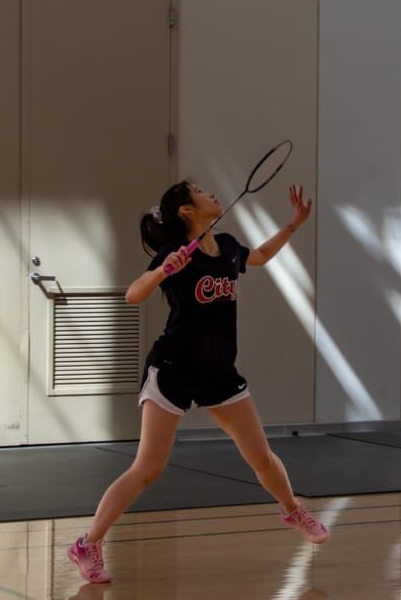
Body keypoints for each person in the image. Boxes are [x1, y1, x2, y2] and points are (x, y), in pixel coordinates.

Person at [68, 179, 327, 584]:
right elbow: (132, 295)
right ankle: (88, 543)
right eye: (200, 191)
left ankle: (292, 509)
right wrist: (162, 272)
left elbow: (258, 256)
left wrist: (293, 225)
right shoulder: (175, 255)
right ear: (187, 211)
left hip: (219, 372)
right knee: (148, 468)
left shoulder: (224, 246)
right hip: (173, 369)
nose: (209, 193)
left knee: (260, 455)